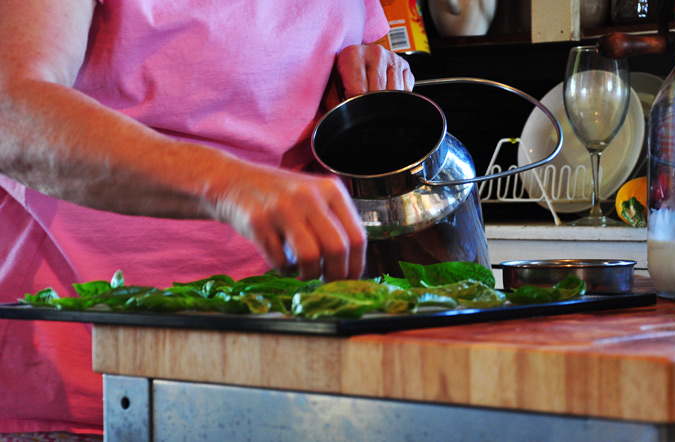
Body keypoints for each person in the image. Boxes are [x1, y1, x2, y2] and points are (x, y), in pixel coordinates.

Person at [0, 0, 414, 436]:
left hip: (289, 380)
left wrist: (362, 80)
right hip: (88, 388)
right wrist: (226, 183)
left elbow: (351, 78)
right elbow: (12, 112)